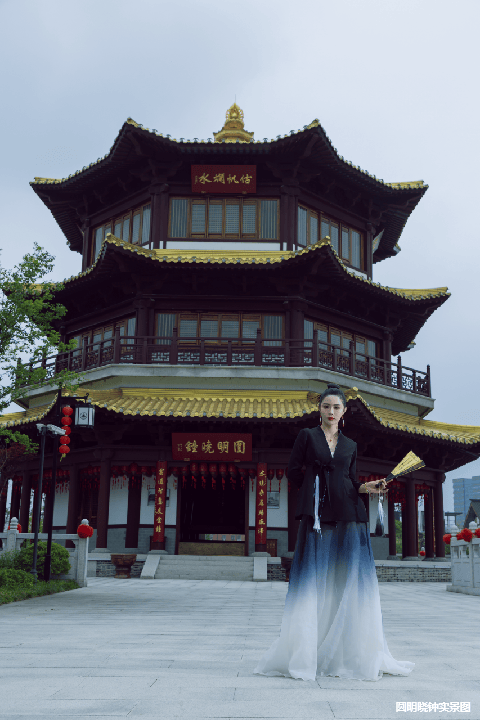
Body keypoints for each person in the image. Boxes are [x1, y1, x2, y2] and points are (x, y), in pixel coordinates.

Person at [253, 383, 414, 682]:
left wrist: (368, 487)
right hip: (317, 515)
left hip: (350, 514)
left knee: (347, 578)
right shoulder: (307, 436)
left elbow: (351, 480)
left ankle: (346, 651)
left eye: (336, 407)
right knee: (314, 578)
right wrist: (314, 488)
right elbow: (293, 471)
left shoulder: (350, 445)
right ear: (320, 409)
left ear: (344, 411)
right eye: (326, 406)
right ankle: (307, 650)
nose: (331, 411)